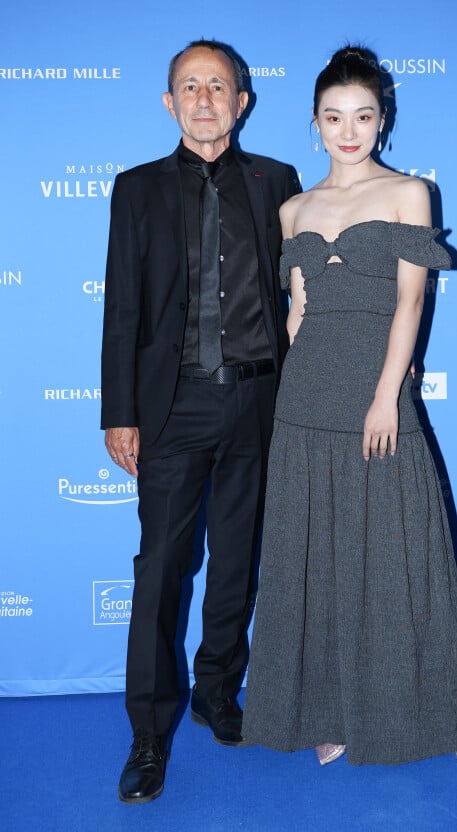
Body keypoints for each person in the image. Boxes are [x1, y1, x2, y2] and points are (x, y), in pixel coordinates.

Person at [242, 46, 457, 775]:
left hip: (377, 395)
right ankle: (327, 707)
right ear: (314, 123)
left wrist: (387, 396)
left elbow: (412, 301)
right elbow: (299, 312)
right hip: (305, 398)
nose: (349, 131)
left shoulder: (410, 193)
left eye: (364, 116)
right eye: (334, 117)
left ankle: (452, 719)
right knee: (312, 557)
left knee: (406, 557)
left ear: (383, 121)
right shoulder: (294, 208)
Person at [100, 39, 300, 804]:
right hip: (173, 405)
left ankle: (220, 693)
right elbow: (122, 310)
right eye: (191, 85)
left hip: (258, 401)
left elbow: (306, 291)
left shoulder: (276, 181)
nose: (206, 97)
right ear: (169, 102)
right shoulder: (136, 190)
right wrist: (121, 412)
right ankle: (149, 732)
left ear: (241, 101)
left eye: (219, 85)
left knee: (238, 558)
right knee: (159, 569)